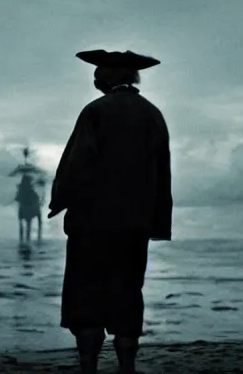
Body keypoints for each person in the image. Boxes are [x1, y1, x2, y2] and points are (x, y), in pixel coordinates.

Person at [47, 49, 173, 374]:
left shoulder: (95, 111)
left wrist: (60, 200)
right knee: (128, 294)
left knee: (86, 297)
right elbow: (162, 175)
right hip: (134, 226)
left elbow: (77, 164)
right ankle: (126, 367)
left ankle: (88, 367)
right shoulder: (153, 115)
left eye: (98, 72)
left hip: (92, 224)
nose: (95, 77)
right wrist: (155, 223)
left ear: (111, 77)